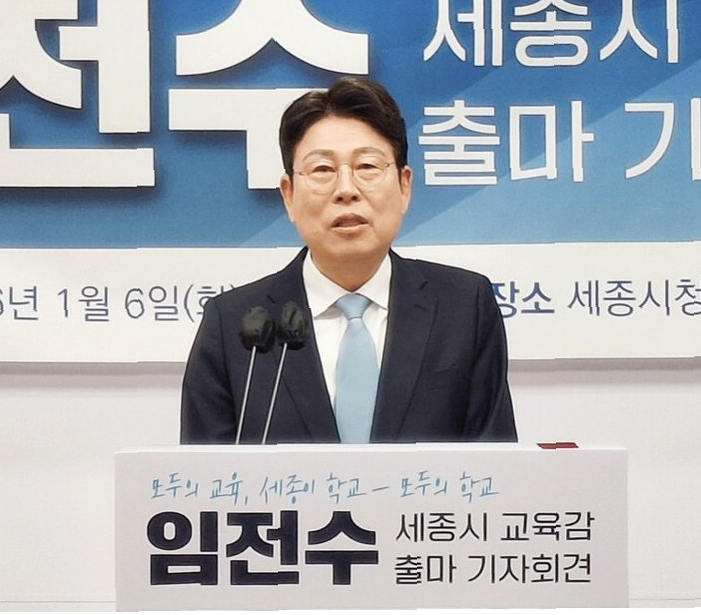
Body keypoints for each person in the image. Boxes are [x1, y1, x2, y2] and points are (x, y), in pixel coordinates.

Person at [179, 76, 516, 444]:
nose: (346, 190)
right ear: (289, 195)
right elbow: (203, 474)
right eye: (322, 170)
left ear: (404, 186)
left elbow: (495, 467)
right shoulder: (235, 325)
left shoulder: (463, 307)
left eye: (367, 166)